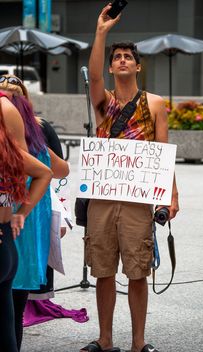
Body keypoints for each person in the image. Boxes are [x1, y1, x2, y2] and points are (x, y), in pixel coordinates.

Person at [81, 4, 179, 352]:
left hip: (138, 200)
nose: (122, 60)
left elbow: (165, 154)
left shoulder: (154, 104)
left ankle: (139, 344)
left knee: (138, 272)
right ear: (110, 66)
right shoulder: (103, 102)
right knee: (103, 270)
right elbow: (92, 78)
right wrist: (101, 33)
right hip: (103, 199)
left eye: (127, 57)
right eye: (116, 57)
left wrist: (172, 196)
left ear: (138, 65)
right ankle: (105, 341)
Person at [0, 75, 69, 350]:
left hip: (18, 222)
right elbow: (58, 170)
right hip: (22, 223)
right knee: (11, 307)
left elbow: (53, 170)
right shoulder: (36, 130)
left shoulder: (34, 132)